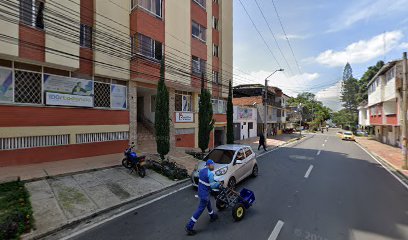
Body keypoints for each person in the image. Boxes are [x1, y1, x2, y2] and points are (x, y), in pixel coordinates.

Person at [185, 160, 222, 235]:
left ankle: (212, 216)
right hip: (205, 194)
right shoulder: (210, 174)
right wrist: (219, 183)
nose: (213, 166)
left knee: (208, 203)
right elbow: (213, 186)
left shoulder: (202, 171)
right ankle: (189, 226)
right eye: (212, 165)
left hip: (200, 191)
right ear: (208, 165)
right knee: (200, 210)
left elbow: (205, 181)